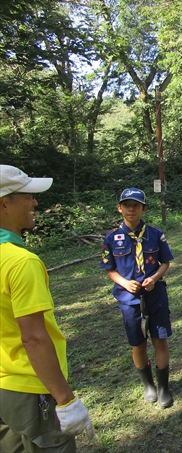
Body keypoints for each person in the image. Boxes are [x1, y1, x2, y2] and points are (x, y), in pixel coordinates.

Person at [0, 165, 94, 451]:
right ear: (4, 203)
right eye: (28, 195)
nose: (35, 202)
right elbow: (34, 338)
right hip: (30, 389)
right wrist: (66, 401)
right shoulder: (20, 262)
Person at [101, 188, 174, 408]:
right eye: (127, 205)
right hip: (129, 299)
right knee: (138, 343)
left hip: (155, 294)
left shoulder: (155, 234)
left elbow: (165, 262)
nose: (131, 209)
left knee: (159, 339)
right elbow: (109, 268)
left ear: (144, 208)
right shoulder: (112, 238)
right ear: (119, 208)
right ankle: (148, 384)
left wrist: (155, 277)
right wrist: (123, 282)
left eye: (136, 205)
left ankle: (163, 387)